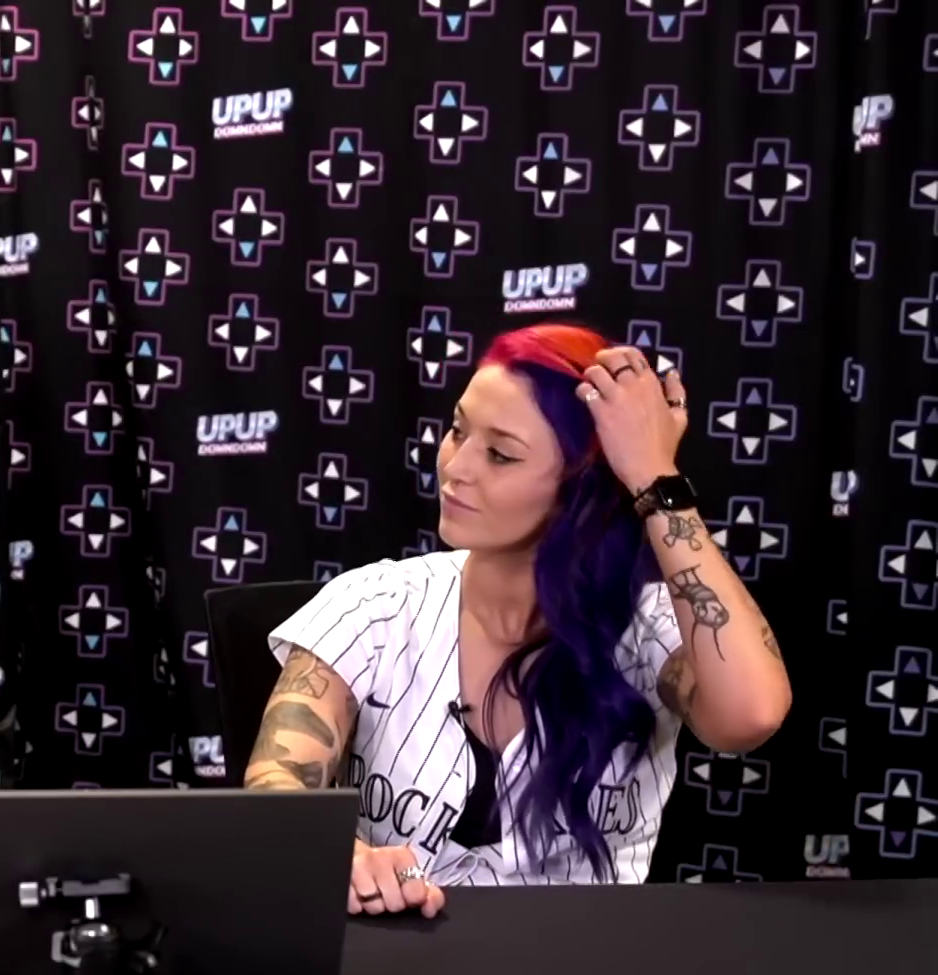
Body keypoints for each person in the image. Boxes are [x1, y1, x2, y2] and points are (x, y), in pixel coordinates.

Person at [246, 324, 790, 916]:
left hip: (590, 961)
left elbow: (751, 716)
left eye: (501, 454)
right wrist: (343, 856)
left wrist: (654, 479)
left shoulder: (648, 630)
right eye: (458, 431)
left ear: (580, 489)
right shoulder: (376, 606)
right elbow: (275, 788)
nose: (456, 468)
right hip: (398, 951)